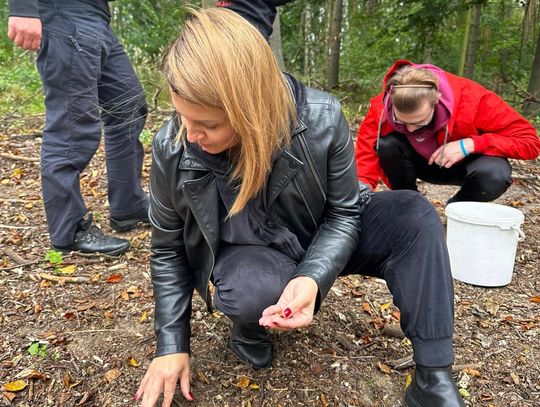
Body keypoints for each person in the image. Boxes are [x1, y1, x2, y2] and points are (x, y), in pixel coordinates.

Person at [134, 8, 463, 407]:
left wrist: (312, 276)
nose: (190, 133)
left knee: (413, 215)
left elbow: (344, 214)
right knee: (251, 293)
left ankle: (433, 377)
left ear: (249, 109)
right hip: (251, 251)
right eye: (182, 116)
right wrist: (171, 345)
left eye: (206, 123)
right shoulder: (174, 147)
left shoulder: (322, 118)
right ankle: (248, 326)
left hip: (317, 231)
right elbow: (167, 248)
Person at [7, 0, 150, 256]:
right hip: (64, 13)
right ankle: (69, 231)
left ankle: (128, 204)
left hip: (96, 17)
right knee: (73, 125)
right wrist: (23, 8)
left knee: (128, 106)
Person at [356, 59, 540, 203]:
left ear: (437, 101)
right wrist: (358, 195)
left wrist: (471, 144)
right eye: (401, 122)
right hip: (417, 163)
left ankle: (458, 210)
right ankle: (410, 203)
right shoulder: (381, 107)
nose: (410, 129)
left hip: (463, 165)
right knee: (386, 145)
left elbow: (530, 142)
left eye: (420, 122)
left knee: (494, 174)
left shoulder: (474, 99)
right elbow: (365, 155)